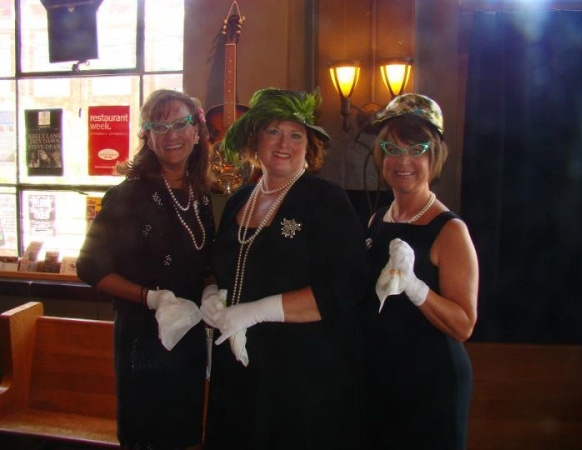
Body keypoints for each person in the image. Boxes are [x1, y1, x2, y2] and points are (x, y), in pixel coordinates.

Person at [200, 88, 368, 450]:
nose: (284, 143)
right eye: (273, 131)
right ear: (255, 139)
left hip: (298, 377)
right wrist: (211, 294)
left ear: (309, 146)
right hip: (238, 371)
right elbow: (217, 265)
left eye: (296, 135)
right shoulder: (239, 200)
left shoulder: (325, 200)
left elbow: (348, 287)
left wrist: (257, 312)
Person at [77, 89, 215, 450]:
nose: (172, 135)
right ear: (148, 138)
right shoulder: (128, 195)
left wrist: (211, 289)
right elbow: (90, 266)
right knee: (148, 435)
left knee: (185, 433)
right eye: (159, 126)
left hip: (188, 338)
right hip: (144, 339)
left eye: (181, 123)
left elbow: (205, 258)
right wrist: (151, 297)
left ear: (197, 131)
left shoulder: (200, 192)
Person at [361, 93, 479, 449]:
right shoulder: (375, 220)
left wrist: (415, 287)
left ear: (435, 155)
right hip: (381, 377)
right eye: (393, 150)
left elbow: (463, 324)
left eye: (416, 150)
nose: (404, 161)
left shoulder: (450, 230)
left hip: (432, 382)